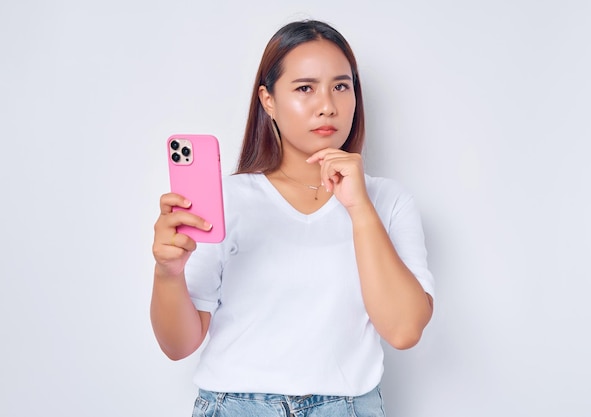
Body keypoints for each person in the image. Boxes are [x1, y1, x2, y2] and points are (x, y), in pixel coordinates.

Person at [151, 19, 435, 417]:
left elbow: (404, 330)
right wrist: (167, 272)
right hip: (234, 407)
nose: (327, 105)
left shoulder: (388, 201)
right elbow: (178, 345)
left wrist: (359, 208)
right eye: (305, 88)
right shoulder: (227, 200)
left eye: (341, 86)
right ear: (268, 100)